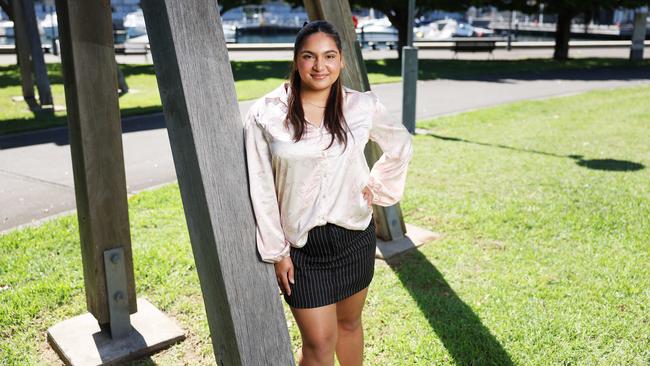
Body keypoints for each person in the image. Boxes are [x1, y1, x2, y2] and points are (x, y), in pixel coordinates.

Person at [244, 20, 412, 366]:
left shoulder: (361, 107)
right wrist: (278, 252)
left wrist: (377, 187)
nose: (320, 66)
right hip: (303, 250)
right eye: (309, 56)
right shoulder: (266, 114)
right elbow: (261, 188)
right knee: (319, 345)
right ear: (296, 61)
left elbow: (400, 143)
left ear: (341, 62)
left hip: (354, 238)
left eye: (329, 56)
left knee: (349, 325)